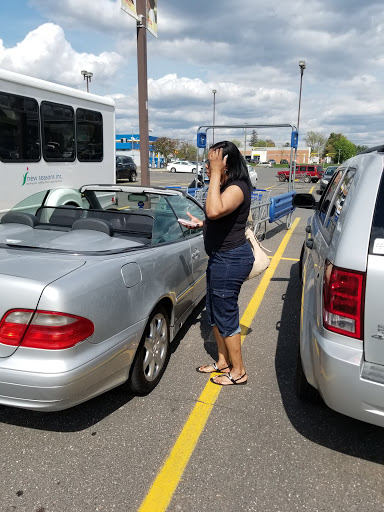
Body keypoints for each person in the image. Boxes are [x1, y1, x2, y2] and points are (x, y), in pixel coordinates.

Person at [183, 141, 254, 386]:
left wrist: (214, 174)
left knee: (225, 315)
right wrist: (202, 225)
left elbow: (214, 211)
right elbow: (219, 218)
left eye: (212, 162)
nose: (207, 165)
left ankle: (239, 372)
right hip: (220, 257)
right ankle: (223, 362)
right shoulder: (226, 186)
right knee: (213, 313)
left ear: (226, 164)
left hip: (231, 259)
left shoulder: (237, 187)